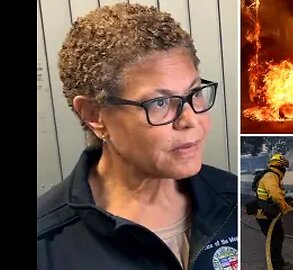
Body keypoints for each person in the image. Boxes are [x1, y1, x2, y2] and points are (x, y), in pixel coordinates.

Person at [37, 3, 237, 270]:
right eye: (160, 102)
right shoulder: (46, 246)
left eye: (195, 93)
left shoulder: (235, 201)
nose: (191, 120)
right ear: (94, 115)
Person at [255, 153, 293, 270]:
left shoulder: (272, 175)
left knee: (277, 239)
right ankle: (277, 266)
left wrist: (286, 201)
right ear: (280, 166)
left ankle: (279, 264)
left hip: (269, 215)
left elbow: (278, 195)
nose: (284, 171)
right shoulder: (271, 176)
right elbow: (275, 195)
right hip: (265, 216)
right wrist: (284, 209)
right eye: (284, 168)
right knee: (275, 241)